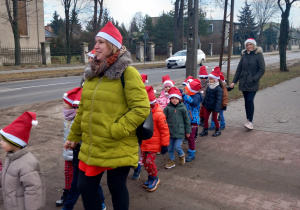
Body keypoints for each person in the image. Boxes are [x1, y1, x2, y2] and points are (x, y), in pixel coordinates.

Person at [64, 21, 150, 210]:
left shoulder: (127, 73)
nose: (95, 46)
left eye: (101, 42)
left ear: (113, 46)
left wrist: (117, 129)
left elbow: (141, 108)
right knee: (85, 187)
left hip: (117, 142)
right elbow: (84, 110)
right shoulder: (93, 74)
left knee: (117, 187)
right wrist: (73, 136)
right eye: (96, 41)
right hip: (93, 144)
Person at [62, 88, 106, 210]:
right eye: (75, 108)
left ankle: (69, 206)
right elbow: (71, 135)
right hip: (78, 156)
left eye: (78, 107)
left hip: (88, 156)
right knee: (82, 183)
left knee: (86, 183)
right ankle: (69, 205)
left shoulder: (89, 120)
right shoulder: (75, 120)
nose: (77, 111)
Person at [0, 112, 46, 210]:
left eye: (4, 140)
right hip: (13, 205)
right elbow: (7, 176)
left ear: (14, 143)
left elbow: (33, 191)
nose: (1, 143)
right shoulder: (11, 157)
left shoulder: (27, 164)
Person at [230, 38, 265, 130]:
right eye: (247, 45)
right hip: (244, 83)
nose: (249, 46)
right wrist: (234, 81)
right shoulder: (244, 55)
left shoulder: (259, 55)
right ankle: (248, 119)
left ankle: (250, 122)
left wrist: (254, 79)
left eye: (250, 45)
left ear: (254, 45)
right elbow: (239, 69)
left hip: (253, 83)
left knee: (250, 100)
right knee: (246, 102)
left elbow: (262, 69)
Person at [140, 86, 170, 192]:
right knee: (144, 161)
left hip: (154, 143)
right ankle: (150, 177)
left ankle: (154, 178)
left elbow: (165, 130)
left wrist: (165, 144)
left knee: (149, 161)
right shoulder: (143, 113)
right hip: (144, 142)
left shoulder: (159, 114)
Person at [56, 87, 81, 207]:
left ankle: (69, 198)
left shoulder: (77, 117)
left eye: (65, 103)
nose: (63, 105)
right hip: (68, 151)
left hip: (76, 152)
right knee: (68, 174)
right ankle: (67, 195)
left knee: (77, 177)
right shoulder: (67, 116)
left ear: (72, 105)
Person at [163, 87, 191, 169]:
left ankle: (181, 154)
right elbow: (163, 119)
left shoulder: (183, 108)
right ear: (170, 99)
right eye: (172, 98)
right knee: (170, 147)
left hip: (180, 131)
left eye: (176, 98)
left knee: (177, 146)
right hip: (170, 131)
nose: (174, 100)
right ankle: (172, 161)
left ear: (179, 99)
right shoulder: (167, 109)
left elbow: (187, 120)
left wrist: (188, 131)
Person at [199, 66, 223, 137]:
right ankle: (205, 130)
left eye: (211, 79)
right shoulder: (209, 86)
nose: (209, 80)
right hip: (208, 106)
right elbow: (206, 96)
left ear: (216, 80)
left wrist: (217, 108)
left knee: (215, 119)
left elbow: (219, 100)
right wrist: (204, 103)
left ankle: (217, 130)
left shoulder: (218, 89)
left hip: (214, 107)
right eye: (209, 79)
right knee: (206, 118)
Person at [182, 79, 202, 162]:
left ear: (191, 91)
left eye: (186, 89)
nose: (184, 90)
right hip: (187, 120)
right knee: (187, 136)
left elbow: (193, 103)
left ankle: (191, 153)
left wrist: (184, 96)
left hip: (193, 120)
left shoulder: (196, 97)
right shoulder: (189, 96)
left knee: (190, 137)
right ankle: (191, 149)